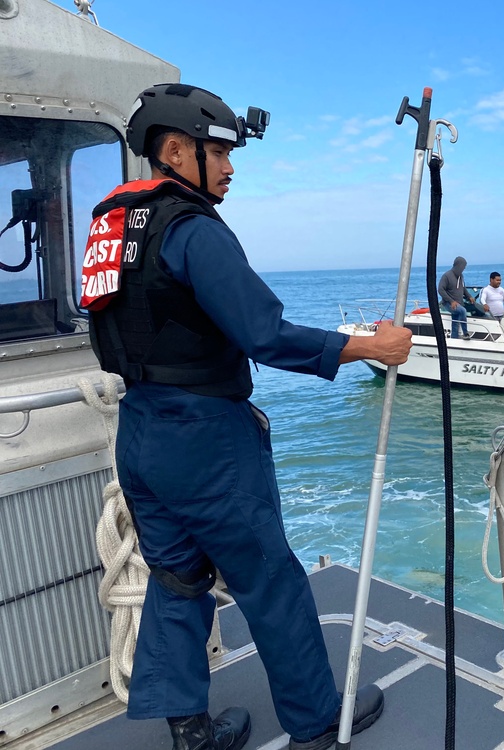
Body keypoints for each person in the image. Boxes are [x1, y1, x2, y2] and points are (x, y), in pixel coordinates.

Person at [80, 84, 409, 750]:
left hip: (140, 432)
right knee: (270, 580)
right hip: (205, 438)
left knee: (175, 580)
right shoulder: (193, 230)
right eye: (218, 153)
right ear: (174, 151)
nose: (230, 168)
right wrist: (372, 346)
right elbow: (265, 332)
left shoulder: (111, 226)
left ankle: (192, 733)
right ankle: (317, 724)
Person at [438, 256, 477, 339]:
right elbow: (440, 290)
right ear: (458, 265)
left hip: (458, 303)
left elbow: (463, 288)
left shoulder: (461, 276)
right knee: (463, 311)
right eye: (463, 267)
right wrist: (451, 301)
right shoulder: (447, 276)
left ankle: (454, 339)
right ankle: (465, 333)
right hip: (448, 303)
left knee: (455, 322)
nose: (464, 269)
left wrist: (469, 296)